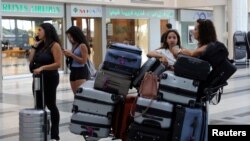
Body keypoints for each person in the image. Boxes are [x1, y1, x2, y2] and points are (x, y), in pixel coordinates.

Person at [29, 23, 62, 141]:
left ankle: (54, 134)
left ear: (47, 31)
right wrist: (34, 47)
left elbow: (58, 64)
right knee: (39, 104)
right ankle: (40, 132)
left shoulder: (55, 45)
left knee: (50, 104)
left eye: (40, 30)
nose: (38, 32)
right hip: (38, 78)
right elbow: (30, 60)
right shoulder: (40, 45)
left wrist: (43, 68)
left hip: (50, 78)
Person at [63, 26, 91, 95]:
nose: (69, 39)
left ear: (75, 35)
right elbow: (74, 58)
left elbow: (83, 61)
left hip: (81, 71)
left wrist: (71, 54)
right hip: (73, 71)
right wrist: (67, 55)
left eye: (70, 37)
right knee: (75, 95)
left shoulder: (82, 45)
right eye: (68, 37)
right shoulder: (74, 45)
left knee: (80, 95)